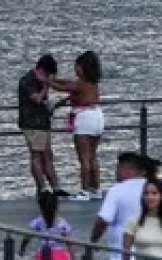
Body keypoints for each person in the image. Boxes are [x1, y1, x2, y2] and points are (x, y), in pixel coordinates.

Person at [51, 50, 105, 200]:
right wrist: (56, 79)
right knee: (93, 156)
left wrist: (48, 82)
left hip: (85, 118)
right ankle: (96, 189)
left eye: (77, 66)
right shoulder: (92, 83)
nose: (75, 68)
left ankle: (85, 190)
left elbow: (62, 88)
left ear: (83, 68)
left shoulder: (80, 84)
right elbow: (68, 83)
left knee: (84, 158)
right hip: (97, 116)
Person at [90, 152, 150, 260]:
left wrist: (93, 240)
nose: (115, 172)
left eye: (118, 168)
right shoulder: (154, 189)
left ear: (127, 170)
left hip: (122, 253)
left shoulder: (117, 190)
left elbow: (103, 221)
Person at [18, 54, 63, 196]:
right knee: (36, 155)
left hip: (43, 123)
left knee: (48, 156)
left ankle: (56, 188)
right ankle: (42, 188)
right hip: (32, 124)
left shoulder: (40, 80)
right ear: (41, 70)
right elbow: (37, 99)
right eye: (47, 74)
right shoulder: (28, 80)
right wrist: (46, 85)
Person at [121, 177, 162, 260]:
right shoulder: (133, 221)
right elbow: (126, 252)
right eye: (146, 193)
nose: (149, 197)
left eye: (154, 193)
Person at [19, 190, 73, 260]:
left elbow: (26, 238)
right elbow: (69, 244)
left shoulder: (37, 222)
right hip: (58, 255)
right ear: (56, 207)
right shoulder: (62, 223)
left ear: (41, 208)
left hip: (42, 254)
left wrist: (22, 250)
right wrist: (73, 257)